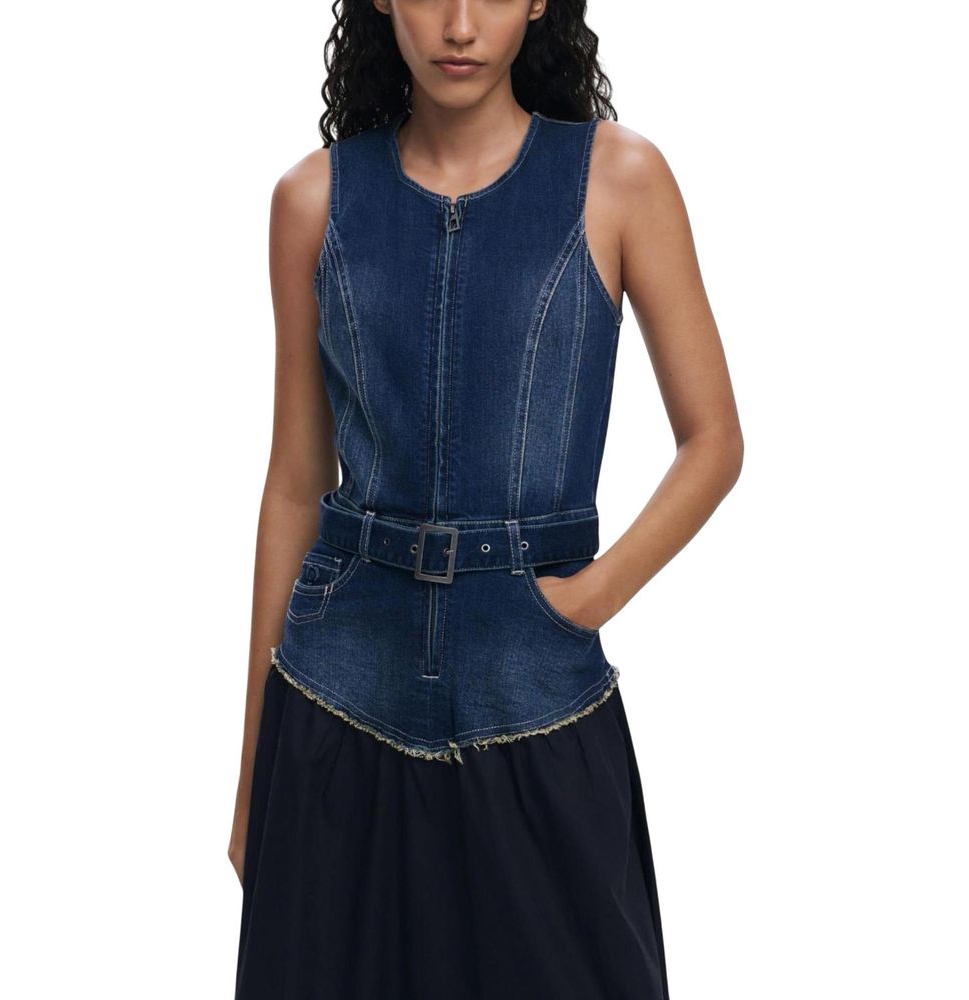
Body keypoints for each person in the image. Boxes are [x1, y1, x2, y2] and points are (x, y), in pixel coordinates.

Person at [230, 1, 743, 996]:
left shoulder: (618, 178)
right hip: (336, 698)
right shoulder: (312, 200)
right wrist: (255, 770)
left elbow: (713, 440)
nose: (459, 25)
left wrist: (579, 603)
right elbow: (295, 483)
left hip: (536, 689)